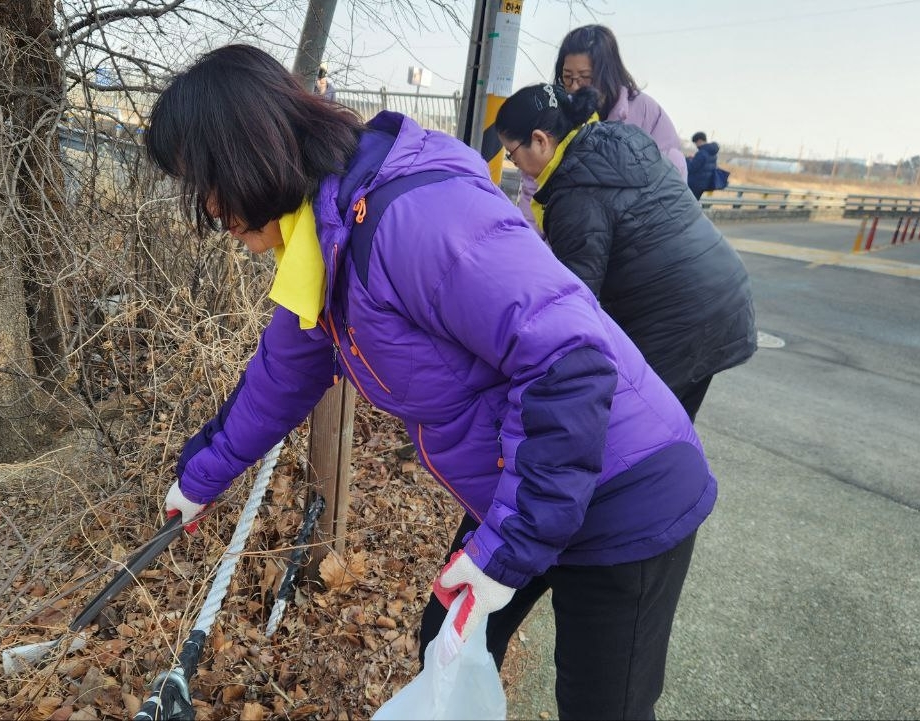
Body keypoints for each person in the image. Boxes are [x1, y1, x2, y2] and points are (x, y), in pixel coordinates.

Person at [148, 44, 716, 720]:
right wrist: (198, 479)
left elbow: (569, 360)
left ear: (244, 157)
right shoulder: (323, 237)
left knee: (600, 707)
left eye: (203, 183)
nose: (209, 210)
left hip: (624, 491)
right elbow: (281, 376)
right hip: (530, 479)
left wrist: (507, 549)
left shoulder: (410, 219)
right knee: (443, 647)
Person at [498, 84, 757, 420]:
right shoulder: (619, 139)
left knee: (631, 426)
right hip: (725, 294)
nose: (515, 164)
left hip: (677, 318)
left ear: (540, 140)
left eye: (512, 153)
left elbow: (577, 304)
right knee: (672, 424)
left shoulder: (574, 194)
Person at [516, 24, 686, 233]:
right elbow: (533, 186)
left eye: (585, 77)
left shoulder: (645, 112)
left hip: (634, 237)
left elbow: (672, 177)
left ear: (607, 74)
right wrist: (530, 242)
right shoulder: (556, 115)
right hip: (570, 234)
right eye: (568, 77)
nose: (575, 87)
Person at [687, 131, 726, 200]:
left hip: (695, 184)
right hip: (704, 184)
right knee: (694, 202)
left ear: (699, 141)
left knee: (689, 202)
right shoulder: (713, 153)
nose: (696, 145)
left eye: (695, 143)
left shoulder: (701, 153)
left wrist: (687, 160)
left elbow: (691, 168)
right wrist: (694, 159)